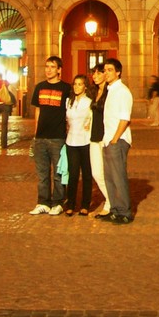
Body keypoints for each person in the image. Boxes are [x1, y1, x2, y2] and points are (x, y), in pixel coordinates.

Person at [28, 56, 71, 216]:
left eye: (52, 67)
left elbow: (70, 112)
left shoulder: (66, 88)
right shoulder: (39, 87)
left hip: (58, 137)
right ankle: (43, 202)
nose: (48, 69)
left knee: (59, 173)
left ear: (59, 70)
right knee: (42, 174)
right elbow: (38, 111)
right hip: (41, 137)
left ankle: (58, 202)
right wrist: (35, 134)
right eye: (47, 66)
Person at [99, 58, 134, 225]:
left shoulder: (122, 92)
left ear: (118, 72)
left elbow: (124, 118)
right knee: (109, 178)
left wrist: (114, 139)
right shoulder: (110, 90)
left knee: (118, 177)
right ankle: (114, 210)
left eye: (110, 70)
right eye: (105, 70)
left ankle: (125, 212)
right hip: (108, 140)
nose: (106, 73)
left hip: (117, 140)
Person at [64, 75, 93, 217]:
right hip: (71, 141)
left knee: (87, 174)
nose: (76, 86)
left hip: (86, 141)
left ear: (85, 86)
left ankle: (85, 205)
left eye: (80, 84)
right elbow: (66, 120)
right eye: (75, 84)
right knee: (73, 174)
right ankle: (70, 204)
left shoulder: (89, 102)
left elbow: (93, 120)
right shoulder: (68, 101)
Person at [87, 64, 111, 217]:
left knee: (108, 172)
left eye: (98, 73)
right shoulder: (93, 92)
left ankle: (110, 203)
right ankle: (111, 199)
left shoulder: (110, 93)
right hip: (94, 136)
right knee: (96, 172)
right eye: (93, 73)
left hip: (106, 136)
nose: (94, 75)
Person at [0, 70, 14, 149]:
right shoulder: (5, 82)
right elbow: (8, 91)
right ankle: (4, 144)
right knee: (4, 124)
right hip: (5, 105)